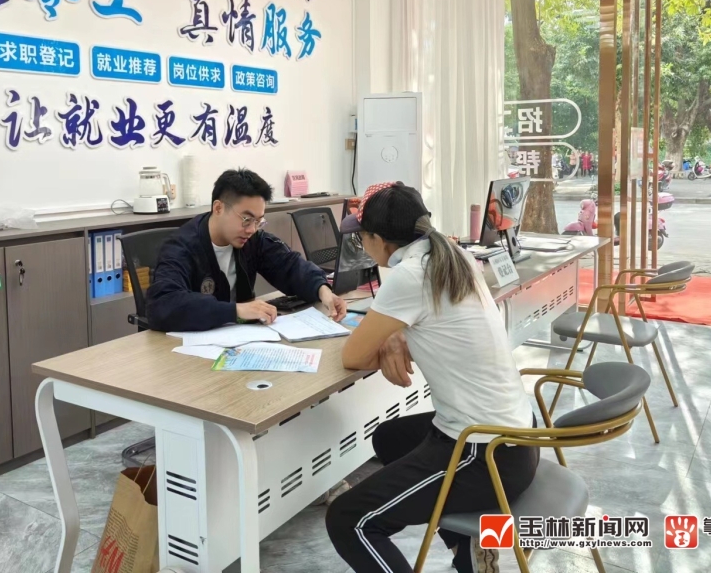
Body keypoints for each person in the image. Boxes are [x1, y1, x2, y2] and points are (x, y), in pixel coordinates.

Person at [325, 183, 538, 573]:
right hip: (516, 437)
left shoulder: (409, 275)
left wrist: (390, 334)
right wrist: (394, 334)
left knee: (348, 519)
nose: (361, 244)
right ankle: (466, 550)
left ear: (378, 240)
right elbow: (429, 320)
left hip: (484, 456)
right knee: (390, 438)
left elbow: (353, 356)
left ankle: (466, 540)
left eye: (361, 236)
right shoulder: (453, 256)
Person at [147, 168, 347, 332]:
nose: (252, 229)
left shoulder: (252, 239)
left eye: (258, 221)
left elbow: (289, 265)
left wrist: (323, 291)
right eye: (246, 219)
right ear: (218, 208)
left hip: (240, 339)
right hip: (190, 348)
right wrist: (235, 311)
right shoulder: (181, 247)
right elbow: (163, 304)